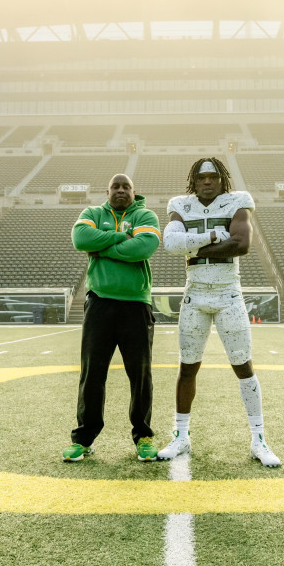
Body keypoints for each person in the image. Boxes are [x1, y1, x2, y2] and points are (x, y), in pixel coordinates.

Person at [157, 157, 281, 467]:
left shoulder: (237, 201)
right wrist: (211, 237)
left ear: (221, 179)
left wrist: (193, 249)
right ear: (194, 181)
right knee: (187, 367)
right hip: (195, 294)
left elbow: (241, 244)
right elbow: (171, 244)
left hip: (229, 294)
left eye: (213, 177)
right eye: (202, 178)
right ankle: (181, 436)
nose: (207, 182)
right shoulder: (180, 205)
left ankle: (259, 439)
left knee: (243, 366)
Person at [63, 173, 162, 462]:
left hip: (136, 304)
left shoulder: (146, 215)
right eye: (115, 187)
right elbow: (80, 238)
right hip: (100, 304)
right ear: (107, 192)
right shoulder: (92, 213)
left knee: (140, 375)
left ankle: (143, 436)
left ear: (134, 191)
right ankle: (84, 438)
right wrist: (122, 237)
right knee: (92, 374)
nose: (121, 190)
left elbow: (144, 247)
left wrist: (102, 247)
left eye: (126, 187)